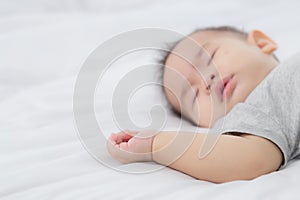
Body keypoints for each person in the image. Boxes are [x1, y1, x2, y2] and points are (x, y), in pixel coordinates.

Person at [107, 26, 300, 183]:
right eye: (194, 94)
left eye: (210, 57)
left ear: (261, 43)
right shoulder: (255, 111)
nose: (206, 80)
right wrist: (157, 143)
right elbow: (252, 159)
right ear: (203, 125)